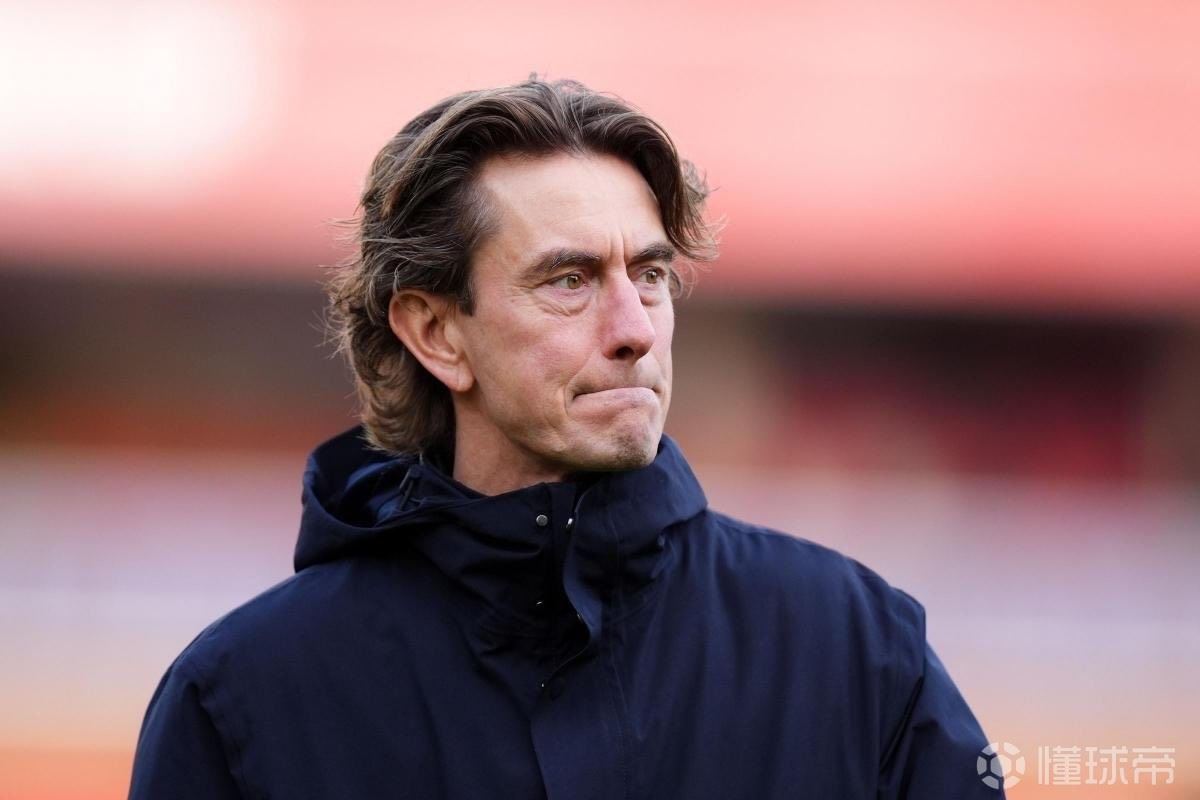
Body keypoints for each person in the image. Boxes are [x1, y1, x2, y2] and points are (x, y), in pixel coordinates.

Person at [128, 77, 1003, 799]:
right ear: (436, 333)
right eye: (569, 280)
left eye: (650, 274)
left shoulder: (856, 645)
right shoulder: (242, 699)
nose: (634, 329)